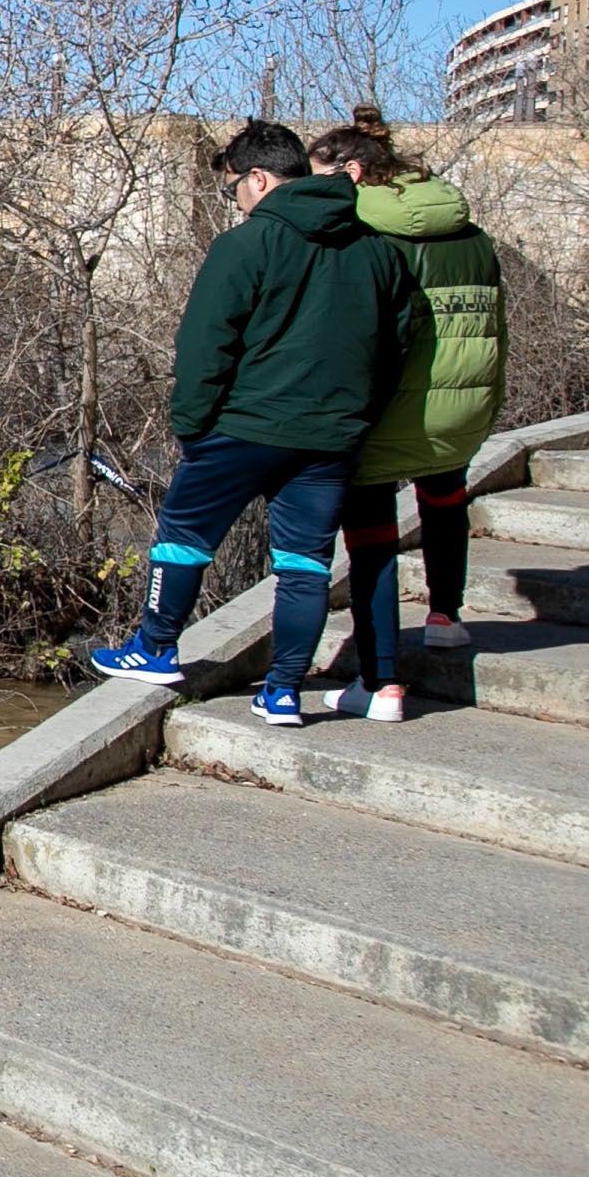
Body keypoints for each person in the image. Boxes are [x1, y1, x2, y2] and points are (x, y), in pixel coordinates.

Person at [88, 118, 426, 724]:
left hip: (241, 428)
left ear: (259, 179)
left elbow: (205, 345)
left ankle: (156, 648)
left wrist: (192, 427)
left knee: (181, 540)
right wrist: (356, 416)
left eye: (233, 189)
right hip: (330, 439)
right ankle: (284, 692)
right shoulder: (379, 252)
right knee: (304, 565)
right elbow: (401, 344)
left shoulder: (246, 245)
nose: (234, 201)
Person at [311, 121, 506, 718]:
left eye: (321, 182)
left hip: (392, 408)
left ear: (352, 173)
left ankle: (383, 682)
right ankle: (446, 614)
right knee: (445, 496)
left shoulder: (362, 234)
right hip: (465, 404)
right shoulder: (473, 234)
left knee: (371, 538)